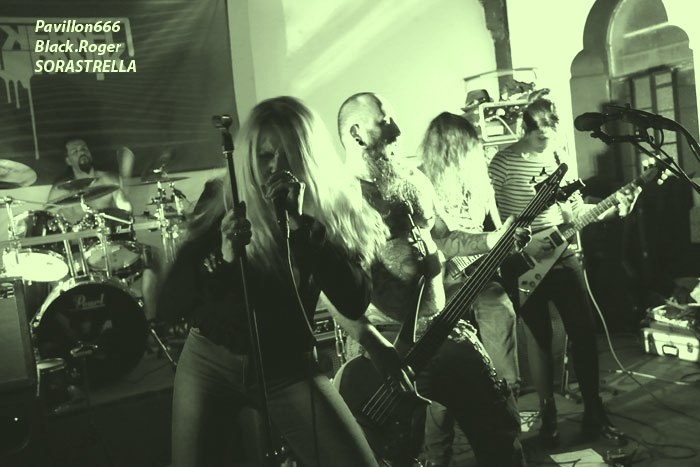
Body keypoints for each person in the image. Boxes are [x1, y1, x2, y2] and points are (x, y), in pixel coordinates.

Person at [158, 96, 410, 467]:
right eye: (264, 156)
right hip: (210, 362)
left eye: (288, 155)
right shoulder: (222, 197)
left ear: (308, 157)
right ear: (248, 158)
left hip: (286, 367)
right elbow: (172, 300)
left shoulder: (333, 208)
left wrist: (302, 227)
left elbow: (353, 299)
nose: (275, 168)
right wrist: (224, 259)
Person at [337, 92, 528, 467]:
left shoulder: (412, 178)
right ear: (356, 132)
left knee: (499, 426)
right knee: (396, 452)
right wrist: (375, 347)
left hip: (445, 327)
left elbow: (446, 237)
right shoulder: (339, 198)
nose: (397, 130)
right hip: (388, 342)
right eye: (385, 122)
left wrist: (493, 240)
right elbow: (334, 287)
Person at [488, 97, 639, 445]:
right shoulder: (502, 162)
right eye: (537, 130)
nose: (544, 136)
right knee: (539, 339)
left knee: (584, 332)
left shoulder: (559, 159)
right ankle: (548, 418)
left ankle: (594, 412)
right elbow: (489, 217)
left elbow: (575, 212)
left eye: (549, 129)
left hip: (562, 254)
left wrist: (615, 208)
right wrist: (518, 245)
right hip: (522, 257)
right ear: (524, 127)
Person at [417, 111, 521, 464]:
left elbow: (495, 230)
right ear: (450, 148)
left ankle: (507, 426)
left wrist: (511, 241)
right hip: (444, 288)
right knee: (442, 391)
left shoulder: (481, 183)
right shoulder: (422, 184)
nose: (478, 149)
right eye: (470, 145)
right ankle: (437, 457)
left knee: (501, 335)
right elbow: (436, 244)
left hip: (481, 279)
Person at [46, 137, 160, 321]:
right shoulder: (60, 189)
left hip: (114, 246)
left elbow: (126, 210)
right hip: (79, 252)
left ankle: (150, 322)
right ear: (68, 160)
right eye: (75, 151)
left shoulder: (108, 179)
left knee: (151, 266)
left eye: (84, 148)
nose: (82, 152)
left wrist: (119, 204)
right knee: (58, 276)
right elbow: (48, 220)